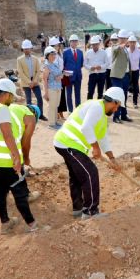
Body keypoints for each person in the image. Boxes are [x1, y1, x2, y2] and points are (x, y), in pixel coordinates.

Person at [53, 86, 124, 219]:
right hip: (68, 143)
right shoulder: (97, 106)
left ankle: (78, 209)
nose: (116, 110)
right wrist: (95, 148)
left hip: (65, 143)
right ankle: (90, 211)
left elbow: (102, 138)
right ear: (113, 101)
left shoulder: (101, 114)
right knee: (91, 173)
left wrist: (112, 158)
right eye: (117, 106)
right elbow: (86, 127)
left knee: (76, 175)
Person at [0, 78, 38, 234]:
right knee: (19, 193)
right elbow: (7, 135)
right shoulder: (2, 109)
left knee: (0, 192)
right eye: (12, 96)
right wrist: (16, 158)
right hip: (6, 161)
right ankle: (33, 225)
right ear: (6, 94)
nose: (12, 99)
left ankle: (5, 224)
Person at [17, 39, 47, 121]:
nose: (27, 50)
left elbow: (38, 70)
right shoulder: (19, 60)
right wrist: (29, 82)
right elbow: (21, 72)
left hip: (35, 82)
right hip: (26, 82)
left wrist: (34, 81)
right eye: (25, 49)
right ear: (23, 49)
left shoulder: (35, 58)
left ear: (31, 48)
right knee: (29, 100)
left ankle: (40, 115)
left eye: (28, 48)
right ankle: (30, 116)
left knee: (39, 98)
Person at [110, 30, 133, 124]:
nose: (123, 40)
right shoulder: (115, 46)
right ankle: (116, 116)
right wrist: (120, 46)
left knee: (124, 96)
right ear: (118, 38)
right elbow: (115, 49)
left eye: (125, 38)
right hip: (117, 76)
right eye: (122, 38)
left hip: (125, 75)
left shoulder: (126, 49)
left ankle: (123, 115)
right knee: (118, 96)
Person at [42, 45, 63, 130]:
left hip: (57, 87)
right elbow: (44, 79)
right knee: (52, 106)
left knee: (56, 105)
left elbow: (59, 74)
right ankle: (51, 124)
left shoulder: (54, 64)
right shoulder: (47, 66)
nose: (53, 56)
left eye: (54, 54)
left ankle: (55, 121)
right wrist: (46, 92)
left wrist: (61, 76)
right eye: (51, 55)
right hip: (51, 88)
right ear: (47, 56)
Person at [63, 34, 84, 112]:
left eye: (76, 41)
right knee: (69, 94)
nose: (74, 43)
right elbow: (63, 64)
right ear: (70, 42)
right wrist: (67, 73)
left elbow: (81, 64)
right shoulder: (65, 52)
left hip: (78, 76)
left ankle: (78, 110)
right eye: (73, 41)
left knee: (78, 94)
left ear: (77, 42)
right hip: (68, 77)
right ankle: (70, 111)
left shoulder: (80, 52)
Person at [84, 35, 107, 100]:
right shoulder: (88, 53)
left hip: (101, 74)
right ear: (91, 44)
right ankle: (89, 106)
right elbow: (85, 64)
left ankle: (99, 108)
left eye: (96, 44)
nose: (95, 46)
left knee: (100, 93)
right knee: (90, 92)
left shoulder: (103, 52)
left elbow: (107, 63)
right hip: (92, 74)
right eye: (93, 44)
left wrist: (101, 67)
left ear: (99, 44)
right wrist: (90, 68)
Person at [52, 36, 68, 122]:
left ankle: (61, 112)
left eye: (58, 45)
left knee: (62, 96)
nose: (57, 47)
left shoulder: (60, 54)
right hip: (54, 79)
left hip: (61, 77)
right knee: (56, 96)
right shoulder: (51, 56)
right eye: (56, 45)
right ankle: (57, 113)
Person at [127, 35, 140, 109]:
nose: (132, 44)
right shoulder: (126, 51)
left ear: (135, 43)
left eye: (133, 42)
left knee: (135, 87)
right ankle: (124, 103)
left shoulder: (139, 52)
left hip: (135, 71)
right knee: (126, 86)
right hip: (128, 72)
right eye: (131, 42)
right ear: (128, 43)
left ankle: (135, 102)